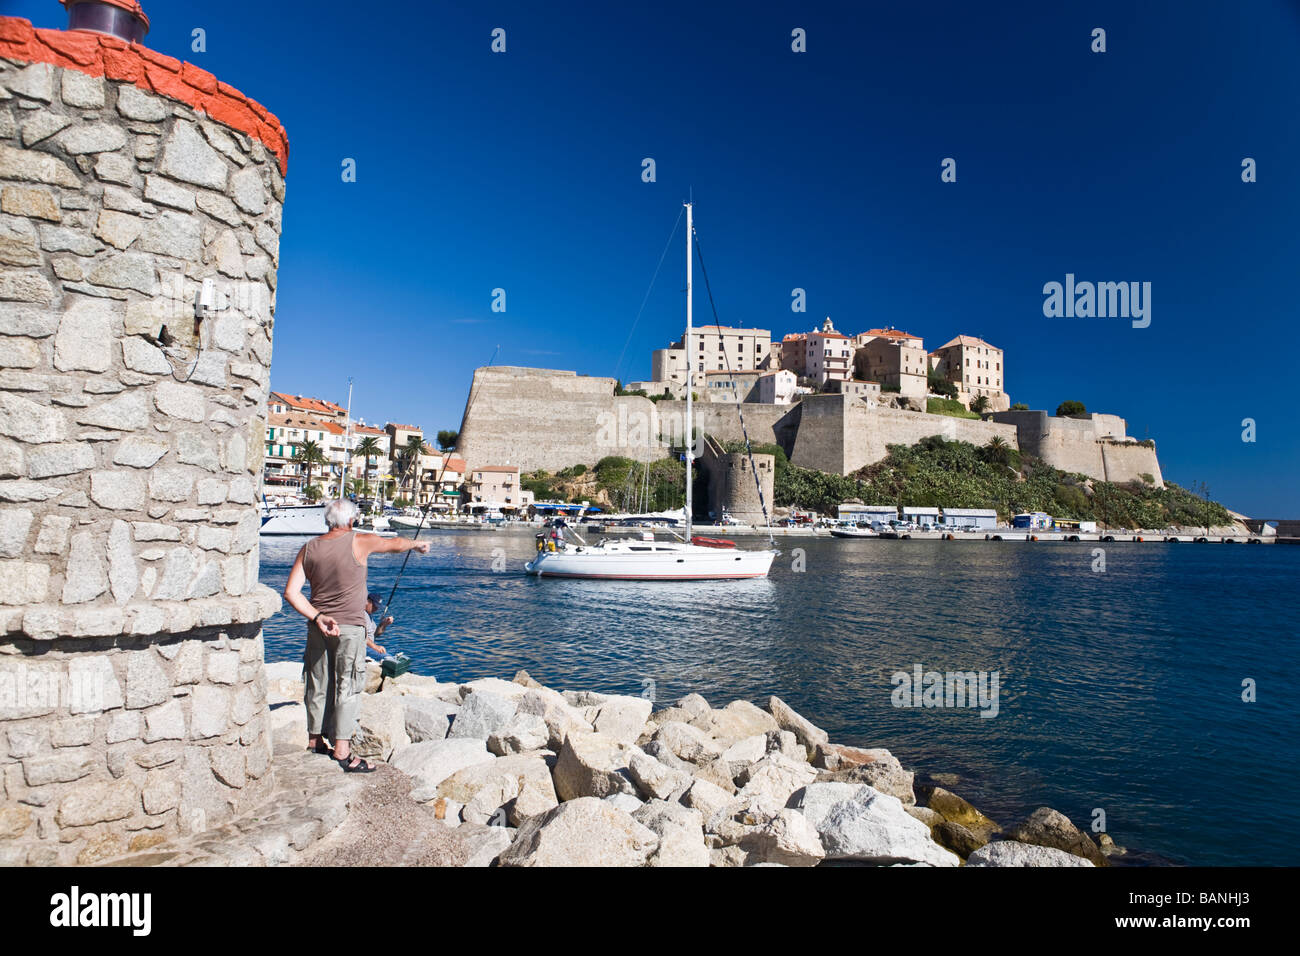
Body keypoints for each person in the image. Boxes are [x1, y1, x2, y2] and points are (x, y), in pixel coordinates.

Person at [283, 499, 429, 772]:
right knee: (348, 686)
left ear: (328, 521)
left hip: (318, 627)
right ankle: (343, 751)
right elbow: (393, 544)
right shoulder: (359, 541)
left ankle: (315, 741)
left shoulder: (309, 548)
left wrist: (317, 616)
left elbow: (291, 593)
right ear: (351, 521)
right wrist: (417, 545)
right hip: (349, 628)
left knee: (317, 684)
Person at [363, 592, 394, 661]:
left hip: (369, 647)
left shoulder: (369, 616)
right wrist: (375, 647)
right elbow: (361, 636)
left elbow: (376, 634)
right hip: (363, 647)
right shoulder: (362, 614)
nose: (376, 609)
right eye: (374, 606)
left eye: (377, 607)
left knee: (391, 657)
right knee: (388, 658)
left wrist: (384, 624)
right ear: (368, 601)